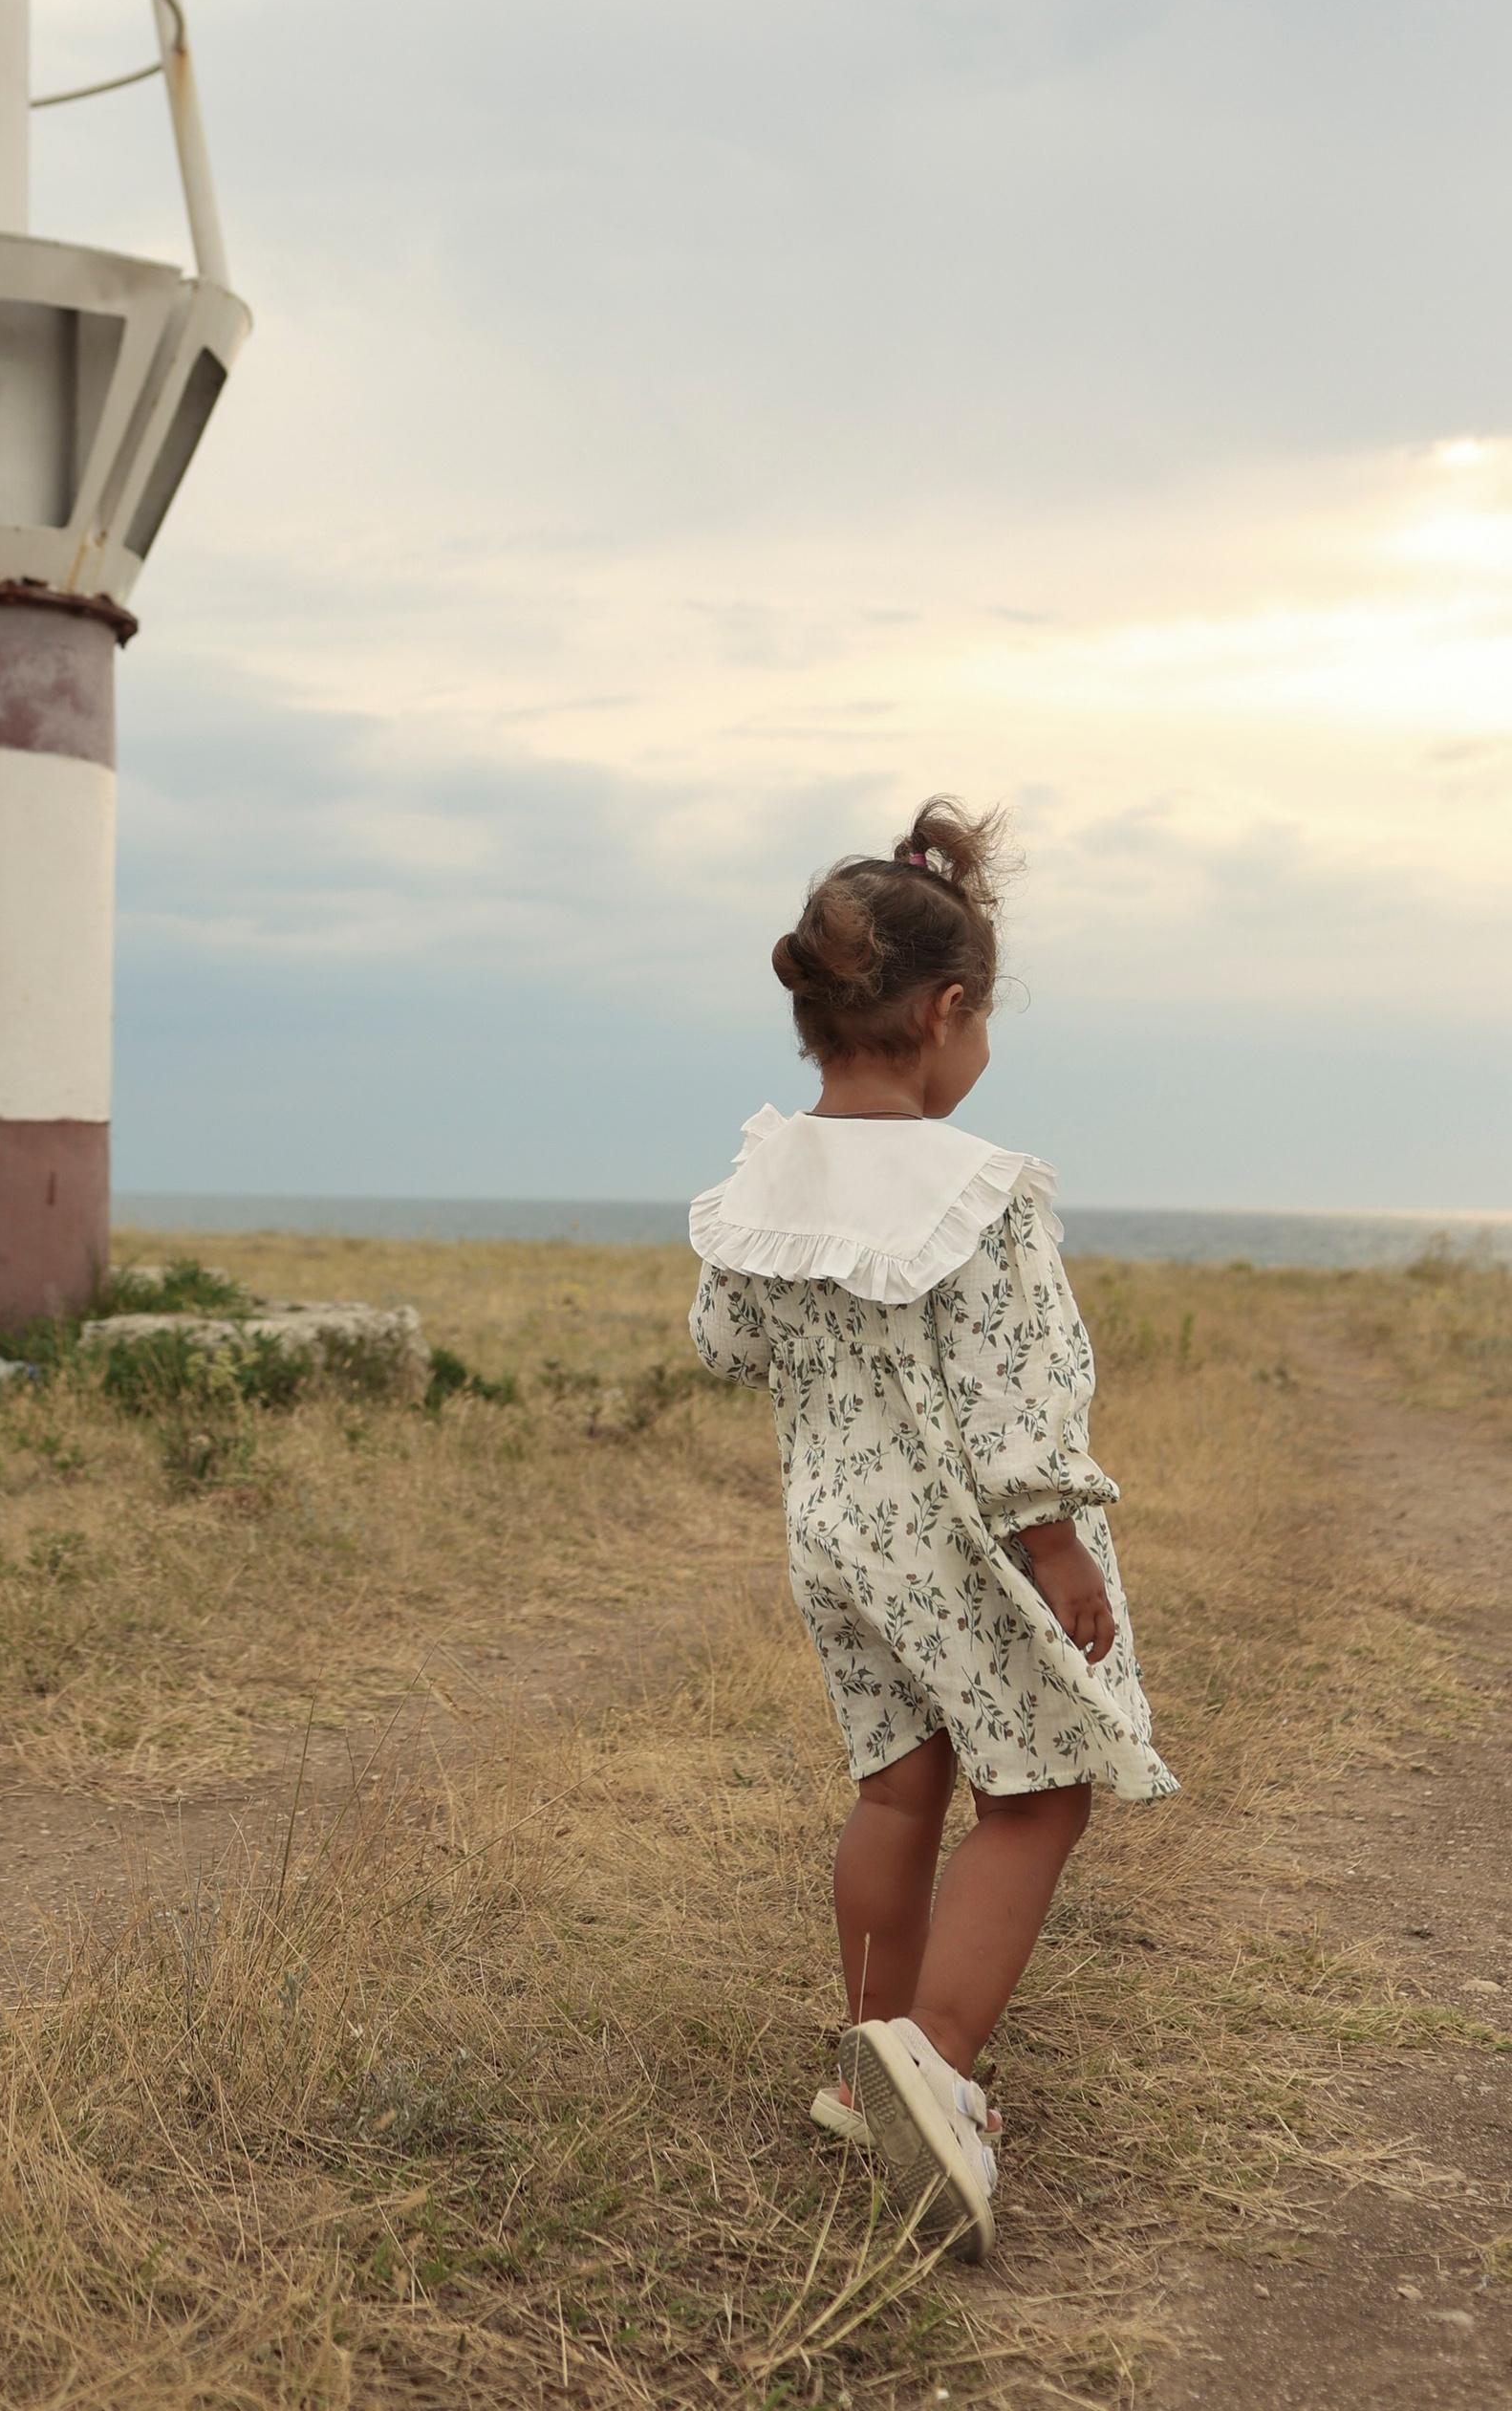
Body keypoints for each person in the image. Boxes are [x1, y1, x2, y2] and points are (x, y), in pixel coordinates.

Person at [688, 799, 1174, 2260]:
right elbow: (1023, 1386)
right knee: (1038, 1796)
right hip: (962, 1544)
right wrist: (1057, 1538)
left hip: (831, 1538)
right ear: (949, 1008)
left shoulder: (760, 1180)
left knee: (899, 1793)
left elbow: (726, 1342)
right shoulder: (980, 1193)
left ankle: (866, 2062)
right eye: (981, 1026)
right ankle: (938, 2074)